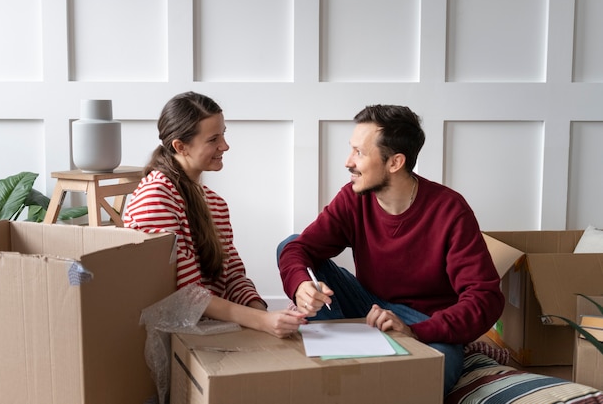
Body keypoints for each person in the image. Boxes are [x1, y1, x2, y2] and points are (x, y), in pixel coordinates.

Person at [276, 104, 504, 394]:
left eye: (359, 153)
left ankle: (360, 374)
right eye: (351, 150)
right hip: (368, 305)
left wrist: (416, 331)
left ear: (395, 162)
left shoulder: (450, 209)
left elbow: (485, 298)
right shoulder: (353, 198)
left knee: (437, 371)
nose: (348, 162)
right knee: (291, 246)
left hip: (424, 321)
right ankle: (341, 358)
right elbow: (298, 249)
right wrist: (300, 286)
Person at [124, 91, 306, 339]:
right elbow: (186, 294)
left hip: (209, 328)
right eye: (213, 139)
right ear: (180, 146)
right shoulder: (155, 198)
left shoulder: (215, 204)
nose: (225, 146)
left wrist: (266, 313)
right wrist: (262, 321)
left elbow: (232, 276)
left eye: (224, 134)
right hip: (173, 336)